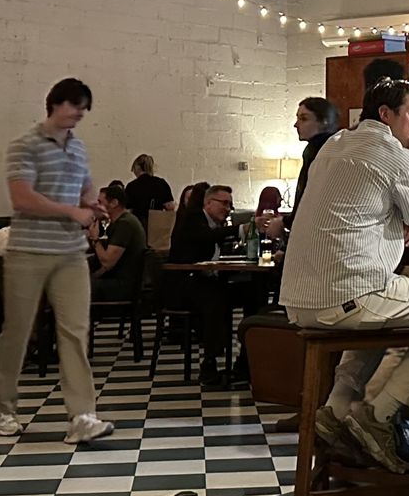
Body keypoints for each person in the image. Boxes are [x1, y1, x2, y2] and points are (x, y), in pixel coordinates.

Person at [280, 78, 409, 473]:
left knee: (378, 315)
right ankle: (378, 414)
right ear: (386, 115)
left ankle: (336, 410)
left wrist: (393, 222)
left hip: (300, 299)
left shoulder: (335, 144)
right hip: (345, 293)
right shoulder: (394, 153)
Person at [0, 78, 114, 443]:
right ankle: (2, 409)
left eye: (83, 109)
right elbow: (22, 199)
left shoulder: (78, 149)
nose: (79, 114)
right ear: (55, 104)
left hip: (71, 254)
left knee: (75, 333)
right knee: (18, 330)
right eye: (75, 106)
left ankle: (82, 416)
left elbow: (85, 188)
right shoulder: (24, 145)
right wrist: (70, 212)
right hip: (29, 251)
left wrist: (92, 205)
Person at [171, 184, 246, 383]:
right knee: (215, 298)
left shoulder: (217, 226)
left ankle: (245, 359)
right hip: (183, 283)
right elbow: (205, 237)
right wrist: (240, 229)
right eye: (223, 203)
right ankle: (209, 363)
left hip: (207, 281)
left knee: (252, 292)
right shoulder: (193, 218)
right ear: (208, 203)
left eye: (230, 204)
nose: (228, 208)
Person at [257, 97, 341, 243]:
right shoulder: (333, 147)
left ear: (324, 121)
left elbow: (308, 196)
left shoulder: (318, 150)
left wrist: (285, 222)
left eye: (304, 118)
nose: (296, 125)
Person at [91, 183, 147, 301]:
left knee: (71, 288)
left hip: (122, 285)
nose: (97, 206)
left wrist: (95, 240)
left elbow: (107, 263)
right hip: (116, 280)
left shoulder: (125, 224)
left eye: (100, 202)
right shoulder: (119, 222)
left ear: (114, 203)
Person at [126, 154, 174, 246]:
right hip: (157, 227)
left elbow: (128, 210)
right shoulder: (161, 183)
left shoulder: (132, 186)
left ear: (137, 167)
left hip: (138, 226)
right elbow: (170, 207)